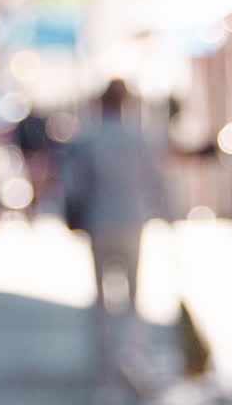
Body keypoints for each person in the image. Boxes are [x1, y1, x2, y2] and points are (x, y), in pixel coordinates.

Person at [61, 79, 167, 388]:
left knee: (103, 297)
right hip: (131, 221)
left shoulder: (89, 138)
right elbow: (156, 182)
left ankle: (106, 365)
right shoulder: (138, 138)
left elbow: (74, 184)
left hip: (100, 221)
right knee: (132, 296)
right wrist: (163, 215)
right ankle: (131, 358)